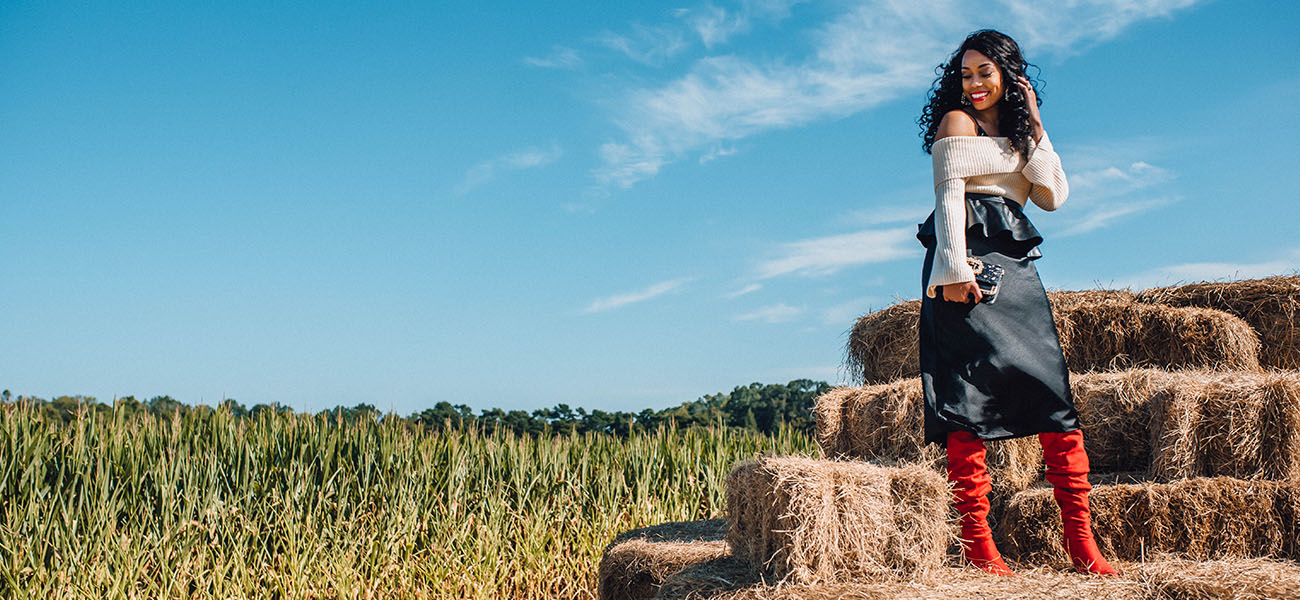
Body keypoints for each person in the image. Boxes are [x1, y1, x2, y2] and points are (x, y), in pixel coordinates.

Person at [914, 29, 1117, 577]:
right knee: (969, 401)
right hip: (969, 267)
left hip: (1017, 269)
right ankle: (979, 547)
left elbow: (1052, 196)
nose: (974, 84)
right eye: (966, 74)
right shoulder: (957, 123)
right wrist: (952, 270)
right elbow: (948, 198)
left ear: (1009, 75)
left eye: (985, 72)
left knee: (1054, 398)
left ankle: (1083, 545)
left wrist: (1037, 128)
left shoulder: (1022, 135)